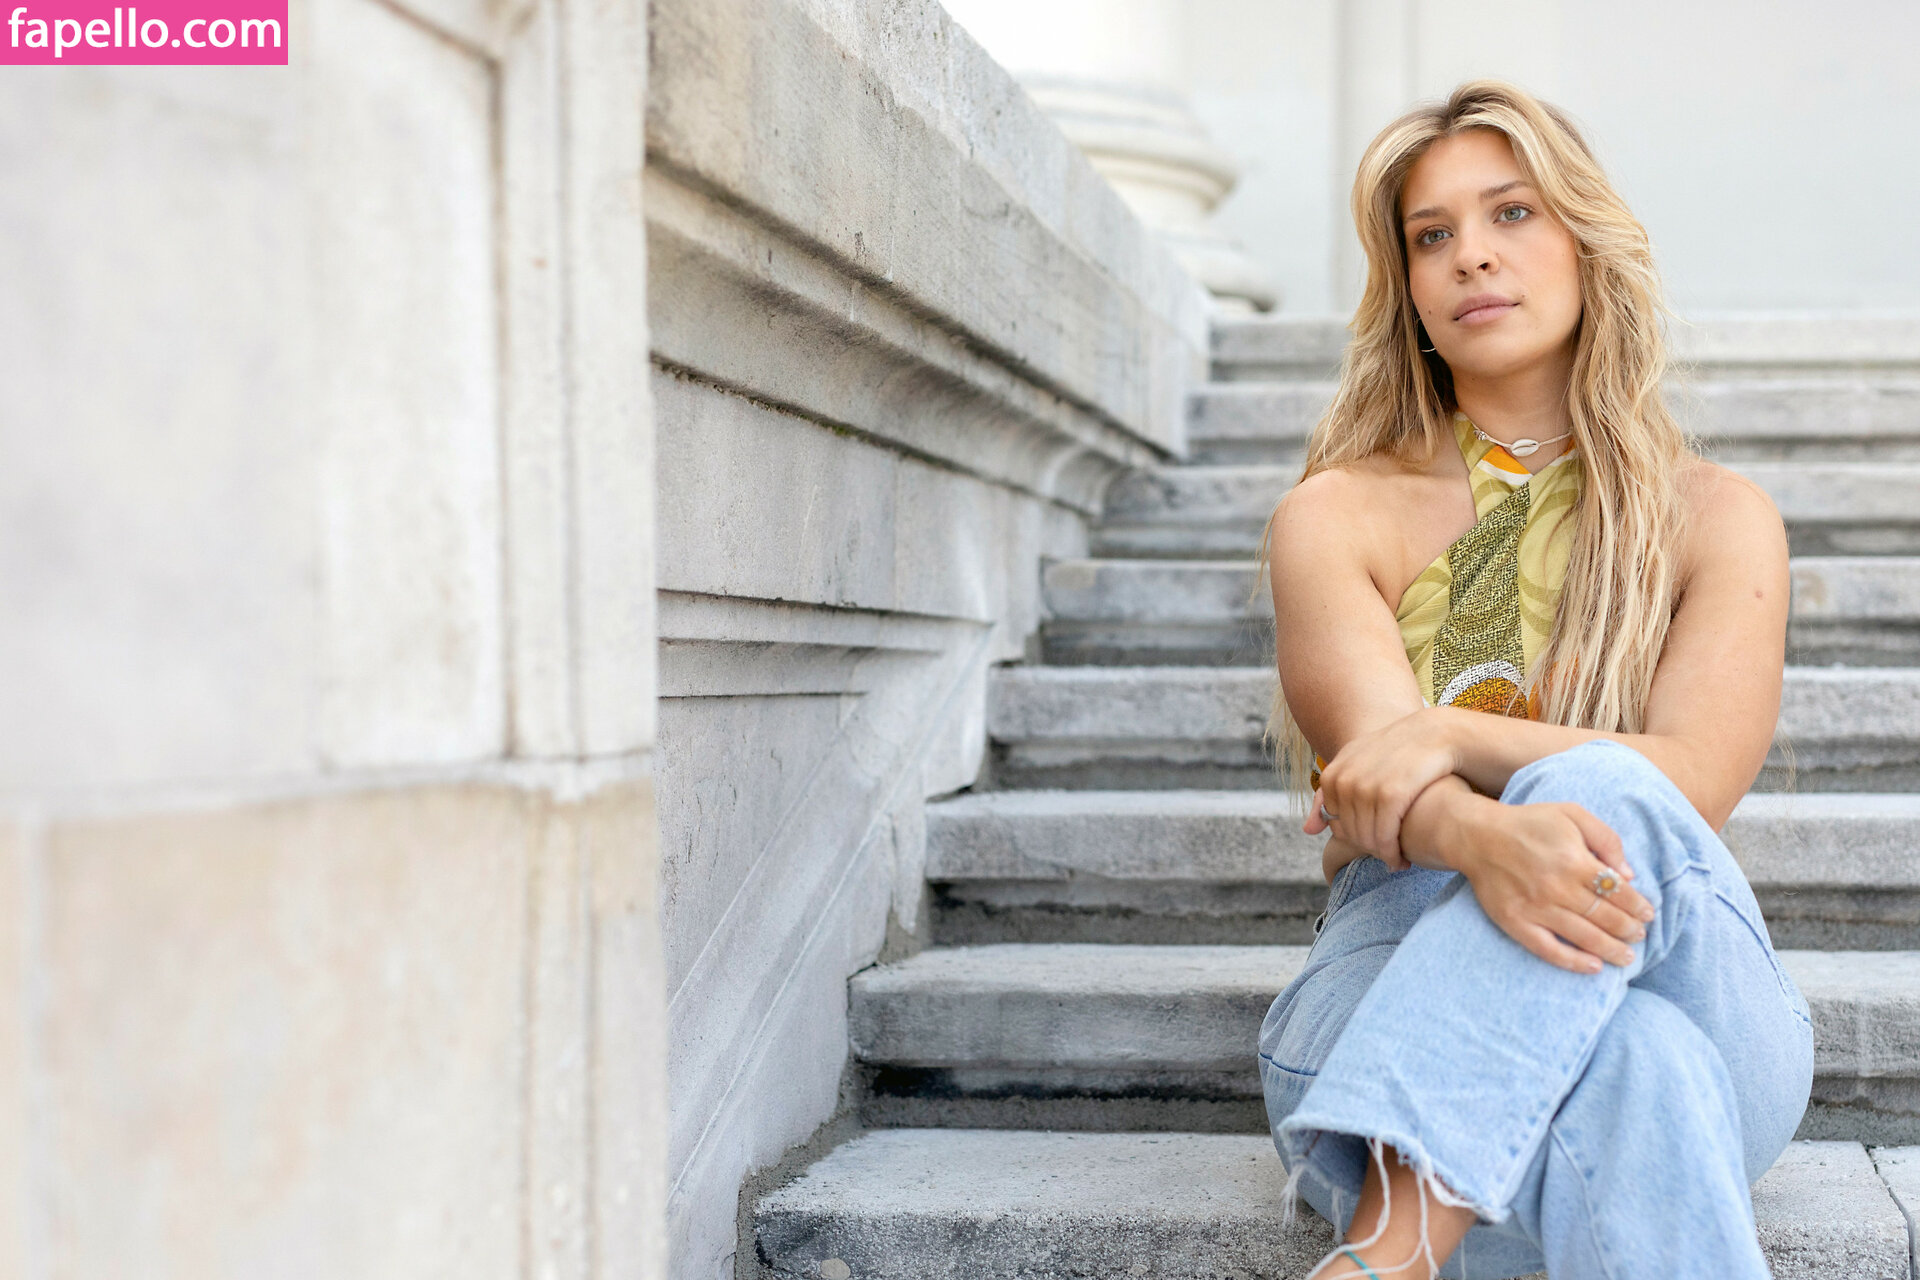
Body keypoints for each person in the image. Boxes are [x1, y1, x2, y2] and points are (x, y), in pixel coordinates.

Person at [1250, 79, 1814, 1280]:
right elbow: (1384, 782)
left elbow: (1692, 780)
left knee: (1612, 793)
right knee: (1638, 1062)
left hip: (1680, 958)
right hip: (1389, 978)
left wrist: (1455, 734)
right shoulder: (1336, 514)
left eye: (1511, 212)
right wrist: (1484, 839)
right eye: (1432, 235)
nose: (1471, 254)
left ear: (1584, 238)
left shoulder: (1718, 517)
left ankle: (1383, 1257)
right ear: (1408, 289)